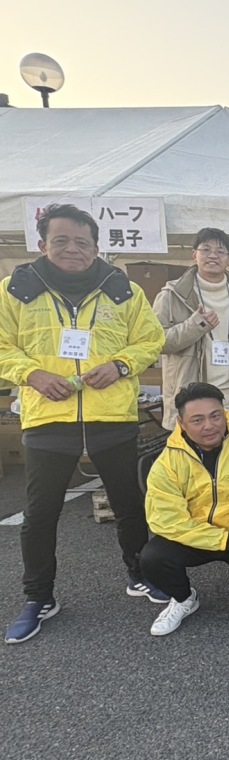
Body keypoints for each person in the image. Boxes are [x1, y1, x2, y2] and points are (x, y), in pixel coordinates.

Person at [0, 204, 166, 644]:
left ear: (96, 247)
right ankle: (39, 597)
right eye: (61, 241)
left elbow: (150, 339)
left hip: (111, 413)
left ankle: (140, 574)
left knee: (129, 503)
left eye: (82, 242)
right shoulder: (15, 290)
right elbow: (2, 344)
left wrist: (120, 365)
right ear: (42, 244)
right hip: (48, 416)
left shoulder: (122, 289)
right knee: (40, 513)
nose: (72, 249)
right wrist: (31, 374)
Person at [140, 383, 229, 636]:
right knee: (153, 558)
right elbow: (166, 520)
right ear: (181, 423)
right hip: (196, 536)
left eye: (215, 416)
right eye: (197, 420)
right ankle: (183, 599)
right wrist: (223, 540)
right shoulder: (167, 463)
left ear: (224, 412)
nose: (209, 426)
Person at [153, 228, 229, 430]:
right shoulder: (172, 294)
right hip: (192, 398)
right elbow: (156, 342)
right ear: (193, 254)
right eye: (205, 249)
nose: (213, 255)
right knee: (194, 451)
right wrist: (195, 325)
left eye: (220, 251)